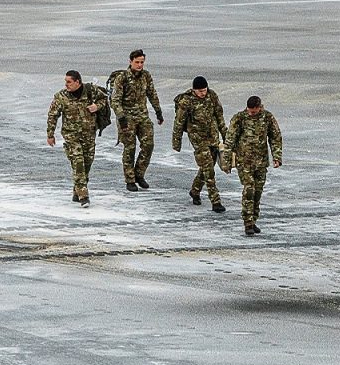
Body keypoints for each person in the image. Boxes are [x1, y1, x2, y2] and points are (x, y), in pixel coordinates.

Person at [47, 71, 108, 207]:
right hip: (71, 136)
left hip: (89, 135)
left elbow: (104, 99)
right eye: (65, 81)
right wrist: (50, 134)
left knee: (87, 163)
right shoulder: (61, 96)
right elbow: (52, 115)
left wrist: (97, 106)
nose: (66, 84)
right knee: (78, 162)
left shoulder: (91, 91)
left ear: (77, 82)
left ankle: (77, 190)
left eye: (69, 82)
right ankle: (83, 196)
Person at [223, 96, 282, 236]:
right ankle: (247, 222)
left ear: (259, 107)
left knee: (258, 192)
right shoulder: (239, 118)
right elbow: (230, 140)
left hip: (261, 162)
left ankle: (253, 219)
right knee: (249, 190)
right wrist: (226, 161)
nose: (251, 113)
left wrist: (277, 157)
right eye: (249, 111)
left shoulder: (267, 117)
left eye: (254, 112)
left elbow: (275, 137)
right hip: (244, 162)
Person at [172, 76, 227, 212]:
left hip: (212, 136)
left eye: (204, 90)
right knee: (208, 169)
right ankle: (215, 201)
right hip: (198, 138)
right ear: (194, 90)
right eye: (200, 91)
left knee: (208, 166)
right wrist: (176, 142)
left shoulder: (212, 96)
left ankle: (195, 191)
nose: (203, 93)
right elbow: (179, 122)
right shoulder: (187, 101)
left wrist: (226, 136)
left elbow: (219, 117)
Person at [110, 49, 163, 191]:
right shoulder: (122, 78)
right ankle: (130, 179)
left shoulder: (146, 76)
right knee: (130, 148)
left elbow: (152, 94)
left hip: (142, 116)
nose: (140, 65)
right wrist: (121, 118)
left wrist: (158, 111)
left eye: (142, 62)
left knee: (148, 145)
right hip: (127, 117)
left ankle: (139, 174)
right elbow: (115, 100)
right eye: (137, 62)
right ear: (130, 61)